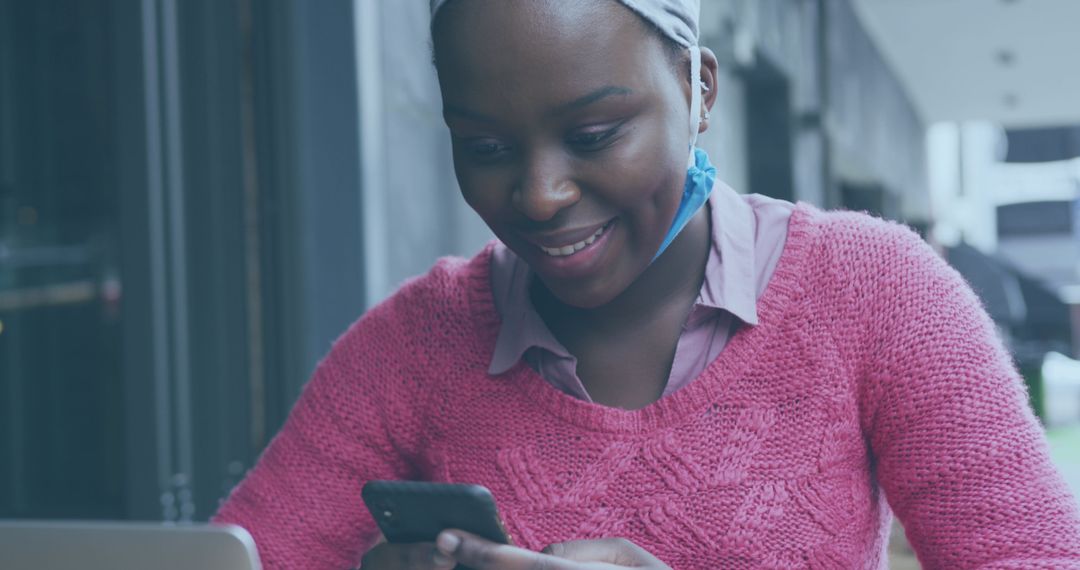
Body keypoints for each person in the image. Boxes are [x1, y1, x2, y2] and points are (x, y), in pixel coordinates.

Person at [213, 0, 1080, 568]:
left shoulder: (877, 295)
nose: (539, 194)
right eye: (485, 148)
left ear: (698, 87)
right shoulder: (415, 345)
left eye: (593, 134)